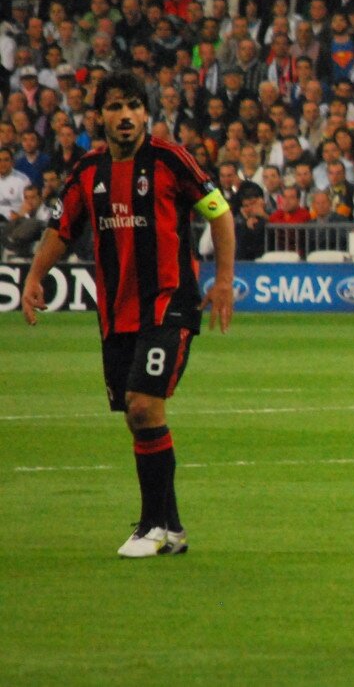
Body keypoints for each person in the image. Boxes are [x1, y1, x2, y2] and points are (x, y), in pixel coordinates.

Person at [20, 71, 236, 558]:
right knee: (136, 419)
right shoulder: (87, 170)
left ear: (146, 114)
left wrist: (223, 280)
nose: (125, 115)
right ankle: (172, 529)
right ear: (99, 116)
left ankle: (152, 526)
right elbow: (62, 227)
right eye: (115, 106)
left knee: (143, 406)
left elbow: (219, 212)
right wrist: (34, 276)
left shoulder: (170, 159)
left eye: (134, 105)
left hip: (169, 303)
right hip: (117, 313)